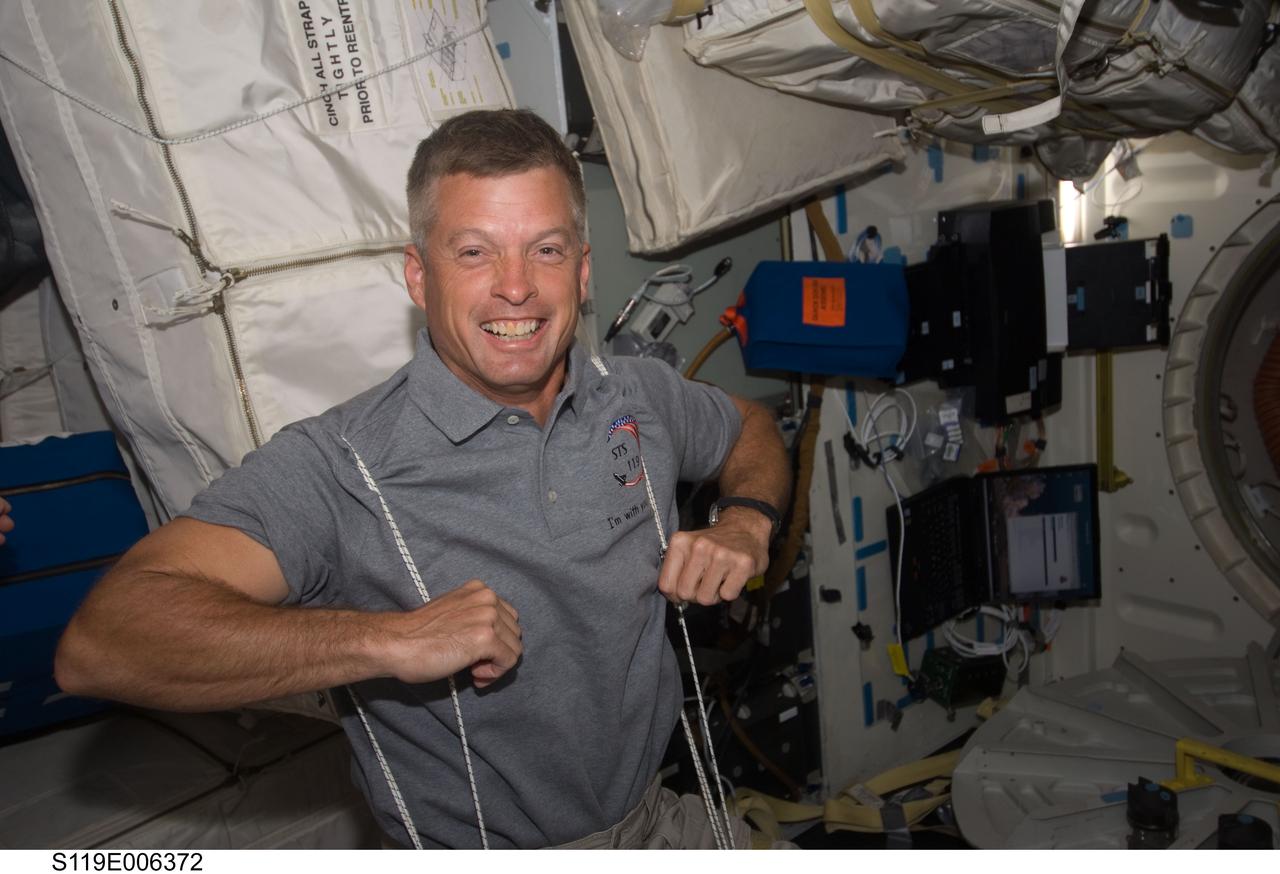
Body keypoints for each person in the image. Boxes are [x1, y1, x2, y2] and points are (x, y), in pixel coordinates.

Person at [54, 109, 790, 849]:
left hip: (658, 823)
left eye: (546, 249)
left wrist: (746, 521)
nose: (516, 288)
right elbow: (106, 639)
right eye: (475, 252)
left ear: (583, 270)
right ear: (418, 274)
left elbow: (749, 430)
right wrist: (388, 642)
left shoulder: (636, 394)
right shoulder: (342, 464)